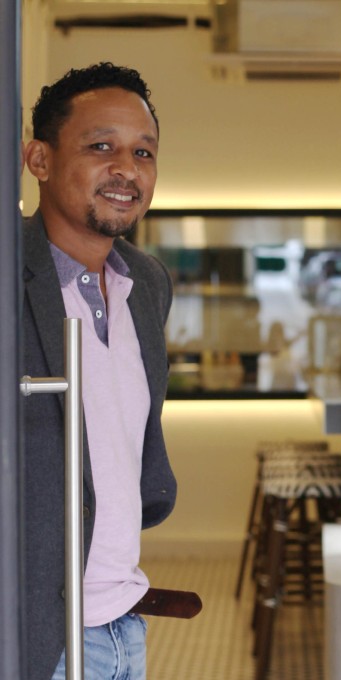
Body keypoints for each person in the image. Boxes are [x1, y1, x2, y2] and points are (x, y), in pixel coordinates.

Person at [20, 62, 176, 680]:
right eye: (101, 146)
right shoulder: (8, 277)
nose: (126, 169)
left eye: (143, 152)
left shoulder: (149, 284)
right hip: (33, 630)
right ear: (40, 159)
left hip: (122, 622)